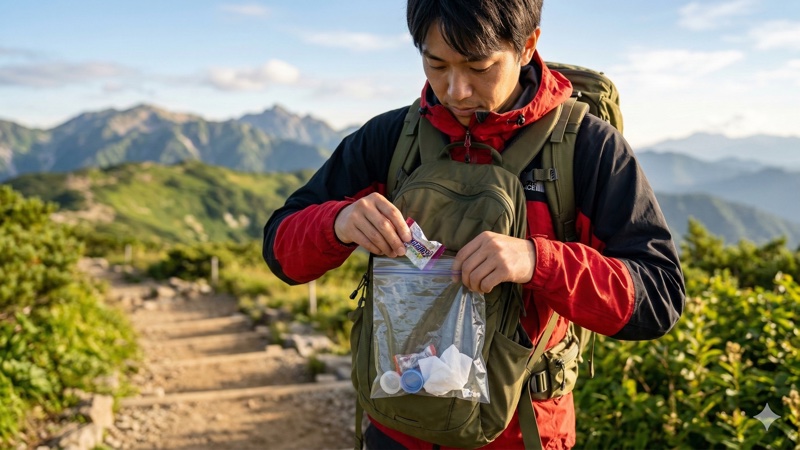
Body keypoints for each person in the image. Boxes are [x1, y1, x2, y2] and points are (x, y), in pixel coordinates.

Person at [262, 0, 686, 448]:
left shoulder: (588, 150)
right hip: (396, 424)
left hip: (524, 434)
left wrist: (537, 261)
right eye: (435, 63)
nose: (455, 90)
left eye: (479, 67)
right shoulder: (389, 139)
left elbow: (658, 298)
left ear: (527, 46)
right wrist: (338, 221)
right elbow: (280, 251)